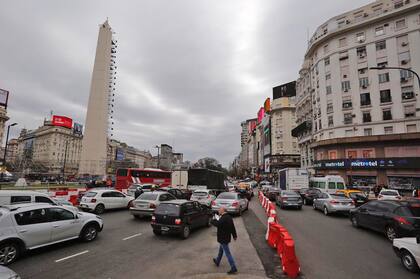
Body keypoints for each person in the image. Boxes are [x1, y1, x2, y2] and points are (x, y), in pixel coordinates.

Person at [211, 207, 238, 274]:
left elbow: (218, 224)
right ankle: (217, 261)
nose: (218, 211)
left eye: (219, 210)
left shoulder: (223, 218)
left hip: (223, 238)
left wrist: (212, 220)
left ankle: (233, 267)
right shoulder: (229, 217)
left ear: (223, 211)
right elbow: (232, 227)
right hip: (226, 238)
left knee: (228, 253)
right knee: (221, 250)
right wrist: (234, 235)